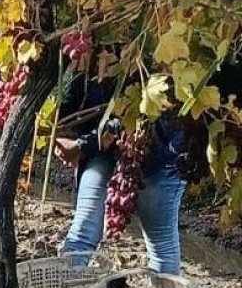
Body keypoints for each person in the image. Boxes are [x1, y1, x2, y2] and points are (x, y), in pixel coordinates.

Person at [53, 63, 186, 274]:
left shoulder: (150, 56)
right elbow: (70, 105)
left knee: (159, 245)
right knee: (83, 234)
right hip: (110, 155)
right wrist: (62, 135)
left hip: (160, 159)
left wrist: (81, 145)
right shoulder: (95, 49)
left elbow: (125, 121)